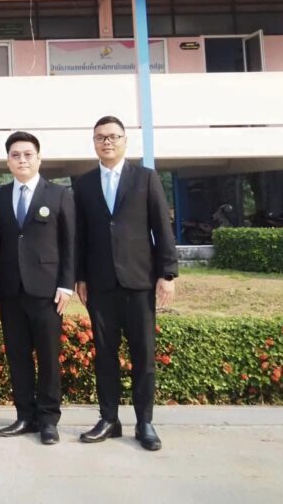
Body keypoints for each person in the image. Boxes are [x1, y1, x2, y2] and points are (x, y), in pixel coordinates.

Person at [74, 116, 178, 451]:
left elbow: (162, 227)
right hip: (100, 284)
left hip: (139, 282)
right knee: (105, 355)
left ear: (124, 141)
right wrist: (80, 276)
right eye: (100, 137)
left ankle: (144, 422)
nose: (107, 142)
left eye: (113, 136)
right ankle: (109, 419)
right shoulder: (83, 183)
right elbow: (80, 236)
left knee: (143, 355)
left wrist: (167, 273)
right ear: (94, 142)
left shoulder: (145, 178)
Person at [0, 132, 75, 445]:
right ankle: (24, 415)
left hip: (47, 290)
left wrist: (66, 284)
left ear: (39, 158)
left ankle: (48, 419)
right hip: (11, 290)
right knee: (18, 355)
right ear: (8, 161)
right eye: (15, 155)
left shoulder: (59, 194)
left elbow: (70, 242)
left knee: (49, 357)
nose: (22, 160)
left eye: (28, 154)